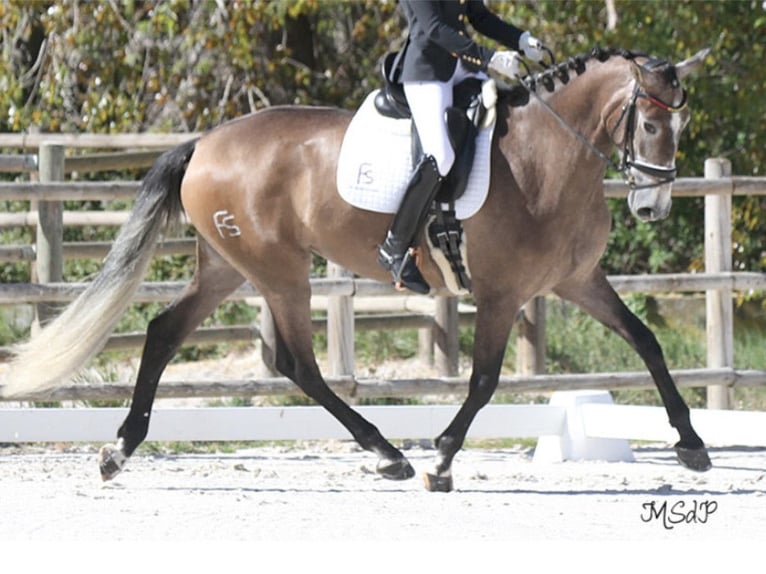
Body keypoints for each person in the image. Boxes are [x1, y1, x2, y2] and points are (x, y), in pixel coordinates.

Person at [377, 0, 548, 294]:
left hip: (462, 66)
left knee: (513, 110)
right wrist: (490, 57)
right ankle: (395, 247)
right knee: (440, 156)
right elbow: (434, 29)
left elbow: (478, 16)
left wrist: (520, 39)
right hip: (426, 70)